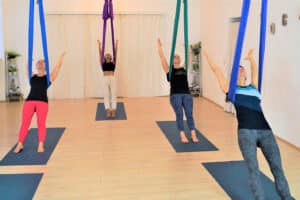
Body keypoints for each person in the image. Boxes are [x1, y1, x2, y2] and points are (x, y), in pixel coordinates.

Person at [204, 49, 294, 200]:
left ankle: (286, 197)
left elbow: (255, 71)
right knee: (254, 170)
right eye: (236, 71)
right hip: (246, 133)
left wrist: (251, 58)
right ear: (233, 76)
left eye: (241, 69)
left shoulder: (254, 88)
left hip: (265, 131)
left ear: (245, 75)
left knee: (278, 168)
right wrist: (207, 55)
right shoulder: (231, 89)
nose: (240, 71)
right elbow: (216, 70)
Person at [14, 52, 66, 153]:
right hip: (29, 101)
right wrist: (29, 60)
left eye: (42, 62)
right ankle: (20, 144)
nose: (40, 62)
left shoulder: (48, 78)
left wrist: (61, 57)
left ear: (45, 66)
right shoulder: (32, 77)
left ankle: (41, 144)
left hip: (42, 102)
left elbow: (57, 68)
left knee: (41, 123)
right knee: (25, 123)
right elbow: (27, 68)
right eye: (38, 62)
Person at [157, 38, 199, 143]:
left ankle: (193, 134)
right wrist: (159, 46)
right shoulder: (169, 70)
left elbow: (189, 56)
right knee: (179, 113)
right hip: (175, 95)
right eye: (174, 57)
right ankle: (182, 135)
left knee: (189, 113)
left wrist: (187, 46)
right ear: (172, 59)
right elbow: (162, 58)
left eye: (178, 57)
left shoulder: (183, 68)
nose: (176, 57)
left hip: (187, 94)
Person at [97, 40, 119, 118]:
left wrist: (116, 45)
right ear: (105, 57)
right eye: (106, 55)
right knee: (106, 94)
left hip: (112, 78)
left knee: (113, 94)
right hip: (105, 78)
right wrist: (99, 46)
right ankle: (107, 110)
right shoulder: (102, 64)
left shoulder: (113, 63)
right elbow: (100, 55)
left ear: (111, 57)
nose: (107, 55)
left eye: (109, 55)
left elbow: (116, 54)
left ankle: (113, 110)